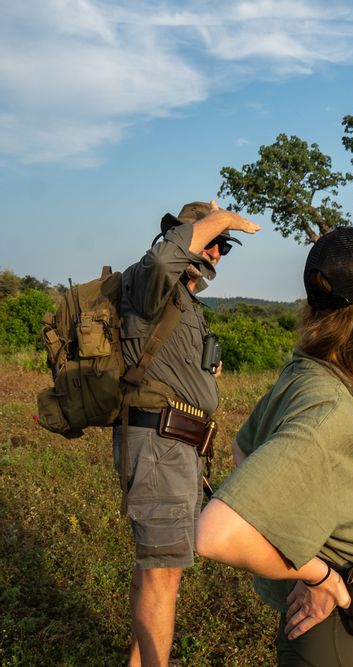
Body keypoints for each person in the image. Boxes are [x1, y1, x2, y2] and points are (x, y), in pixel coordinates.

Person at [195, 226, 353, 666]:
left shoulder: (307, 371)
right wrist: (321, 574)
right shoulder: (329, 408)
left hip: (332, 626)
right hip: (342, 626)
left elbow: (244, 448)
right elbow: (215, 534)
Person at [116, 200, 259, 666]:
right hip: (160, 443)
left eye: (225, 246)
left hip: (176, 445)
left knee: (156, 570)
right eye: (214, 242)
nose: (219, 252)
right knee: (163, 576)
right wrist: (227, 218)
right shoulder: (151, 277)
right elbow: (163, 258)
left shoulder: (178, 298)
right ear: (187, 236)